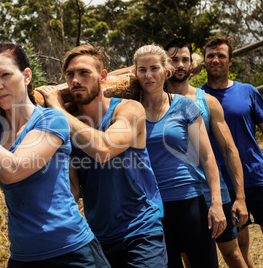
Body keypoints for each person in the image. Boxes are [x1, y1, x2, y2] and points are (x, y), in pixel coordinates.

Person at [0, 43, 110, 268]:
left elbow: (12, 170)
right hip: (23, 258)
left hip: (72, 253)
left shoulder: (51, 120)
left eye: (5, 75)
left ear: (26, 76)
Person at [37, 44, 167, 267]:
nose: (75, 80)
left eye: (84, 73)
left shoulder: (129, 109)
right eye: (70, 75)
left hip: (141, 230)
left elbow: (104, 150)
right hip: (98, 237)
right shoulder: (69, 125)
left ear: (103, 76)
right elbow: (74, 188)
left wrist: (58, 111)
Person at [133, 44, 227, 267]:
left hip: (190, 202)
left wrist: (216, 203)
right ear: (135, 73)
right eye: (142, 69)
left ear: (166, 71)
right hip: (152, 209)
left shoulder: (184, 105)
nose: (148, 75)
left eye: (154, 68)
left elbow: (206, 157)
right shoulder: (129, 110)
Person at [164, 37, 248, 268]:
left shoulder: (207, 101)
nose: (180, 65)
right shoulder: (152, 101)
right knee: (190, 258)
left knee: (233, 255)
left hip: (214, 193)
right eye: (173, 60)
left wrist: (239, 198)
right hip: (179, 197)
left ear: (192, 64)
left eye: (185, 60)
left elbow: (229, 150)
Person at [201, 36, 263, 268]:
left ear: (230, 61)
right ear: (204, 62)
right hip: (223, 186)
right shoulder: (197, 98)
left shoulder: (247, 91)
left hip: (257, 176)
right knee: (240, 249)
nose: (216, 60)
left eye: (221, 56)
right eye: (211, 56)